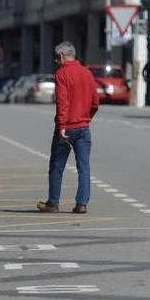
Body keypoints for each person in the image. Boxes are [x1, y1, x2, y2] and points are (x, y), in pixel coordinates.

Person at [37, 41, 99, 214]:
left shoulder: (62, 74)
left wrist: (62, 125)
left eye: (57, 58)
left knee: (57, 166)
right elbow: (95, 102)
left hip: (65, 128)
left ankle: (53, 203)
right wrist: (86, 118)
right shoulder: (87, 73)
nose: (57, 61)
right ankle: (82, 204)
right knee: (84, 167)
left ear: (63, 56)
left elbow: (62, 102)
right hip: (83, 127)